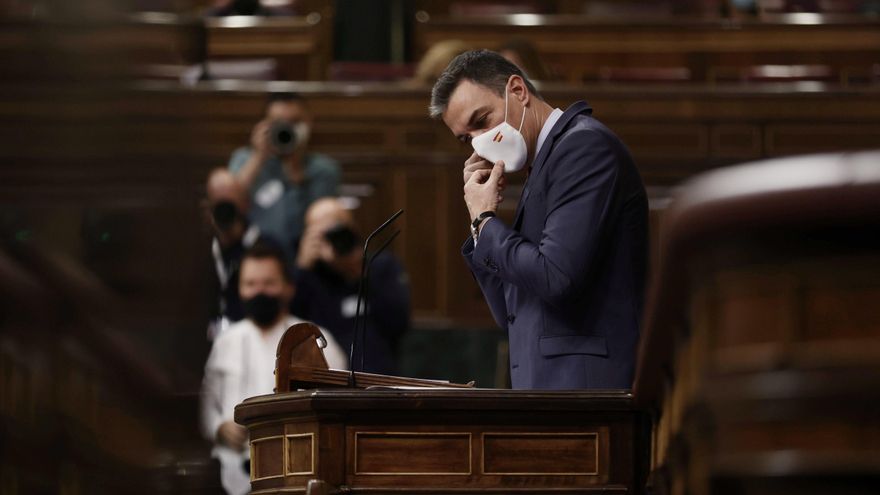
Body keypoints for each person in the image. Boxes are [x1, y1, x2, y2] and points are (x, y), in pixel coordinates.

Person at [429, 50, 648, 390]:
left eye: (481, 120)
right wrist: (478, 225)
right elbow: (511, 312)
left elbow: (556, 276)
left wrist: (486, 222)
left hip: (588, 391)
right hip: (547, 389)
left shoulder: (583, 147)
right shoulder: (543, 164)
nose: (478, 143)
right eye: (465, 138)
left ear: (518, 90)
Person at [200, 241, 347, 495]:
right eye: (251, 284)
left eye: (268, 283)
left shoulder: (312, 339)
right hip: (230, 470)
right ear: (240, 289)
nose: (259, 291)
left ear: (288, 288)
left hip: (296, 470)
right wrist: (219, 427)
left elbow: (339, 402)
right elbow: (205, 399)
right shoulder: (225, 341)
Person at [292, 198, 410, 375]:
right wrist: (302, 267)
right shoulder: (309, 278)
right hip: (325, 380)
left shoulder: (380, 266)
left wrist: (357, 272)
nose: (334, 240)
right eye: (324, 234)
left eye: (339, 230)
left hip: (378, 381)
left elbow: (398, 322)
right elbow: (291, 326)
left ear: (353, 229)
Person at [228, 92, 340, 257]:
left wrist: (296, 169)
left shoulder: (324, 170)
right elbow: (230, 207)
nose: (288, 129)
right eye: (279, 123)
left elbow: (322, 226)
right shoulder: (245, 159)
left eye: (295, 122)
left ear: (309, 123)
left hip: (306, 258)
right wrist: (258, 158)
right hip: (253, 256)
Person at [204, 168, 261, 337]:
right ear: (208, 206)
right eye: (218, 204)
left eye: (230, 204)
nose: (225, 212)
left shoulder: (265, 246)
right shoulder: (198, 249)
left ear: (245, 204)